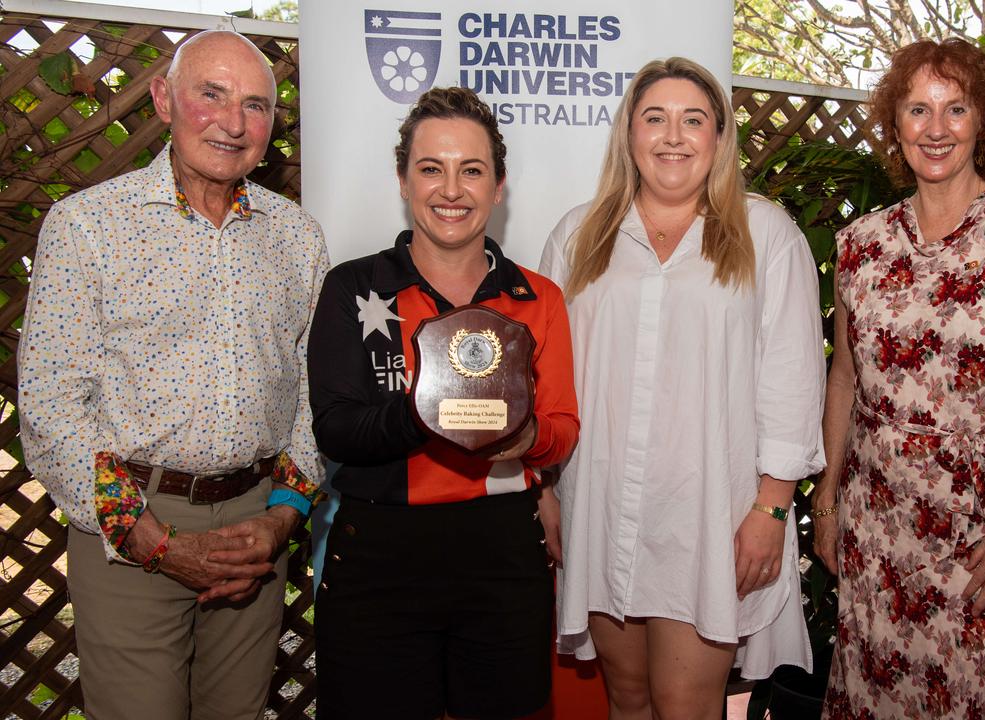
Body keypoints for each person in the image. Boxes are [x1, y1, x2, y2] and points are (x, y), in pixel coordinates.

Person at [17, 30, 327, 720]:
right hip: (130, 530)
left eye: (255, 105)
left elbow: (316, 393)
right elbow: (51, 400)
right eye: (210, 95)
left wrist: (282, 518)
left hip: (256, 532)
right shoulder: (86, 227)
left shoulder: (297, 237)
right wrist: (153, 538)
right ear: (163, 99)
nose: (234, 123)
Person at [540, 57, 826, 719]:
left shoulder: (766, 235)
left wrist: (772, 510)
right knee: (629, 701)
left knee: (685, 707)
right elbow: (550, 380)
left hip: (710, 520)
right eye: (655, 118)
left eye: (693, 119)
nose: (674, 136)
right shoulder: (577, 236)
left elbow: (791, 380)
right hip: (602, 506)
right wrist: (549, 490)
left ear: (719, 139)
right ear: (629, 136)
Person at [813, 38, 985, 719]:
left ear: (982, 121)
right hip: (880, 529)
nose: (936, 129)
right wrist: (826, 499)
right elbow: (845, 376)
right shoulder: (860, 245)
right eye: (917, 110)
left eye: (955, 108)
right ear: (894, 125)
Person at [308, 86, 579, 720]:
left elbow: (562, 429)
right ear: (404, 180)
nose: (450, 189)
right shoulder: (353, 288)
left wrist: (524, 438)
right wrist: (429, 411)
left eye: (472, 170)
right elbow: (337, 429)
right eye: (431, 168)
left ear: (499, 187)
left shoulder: (538, 299)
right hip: (379, 555)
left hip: (502, 557)